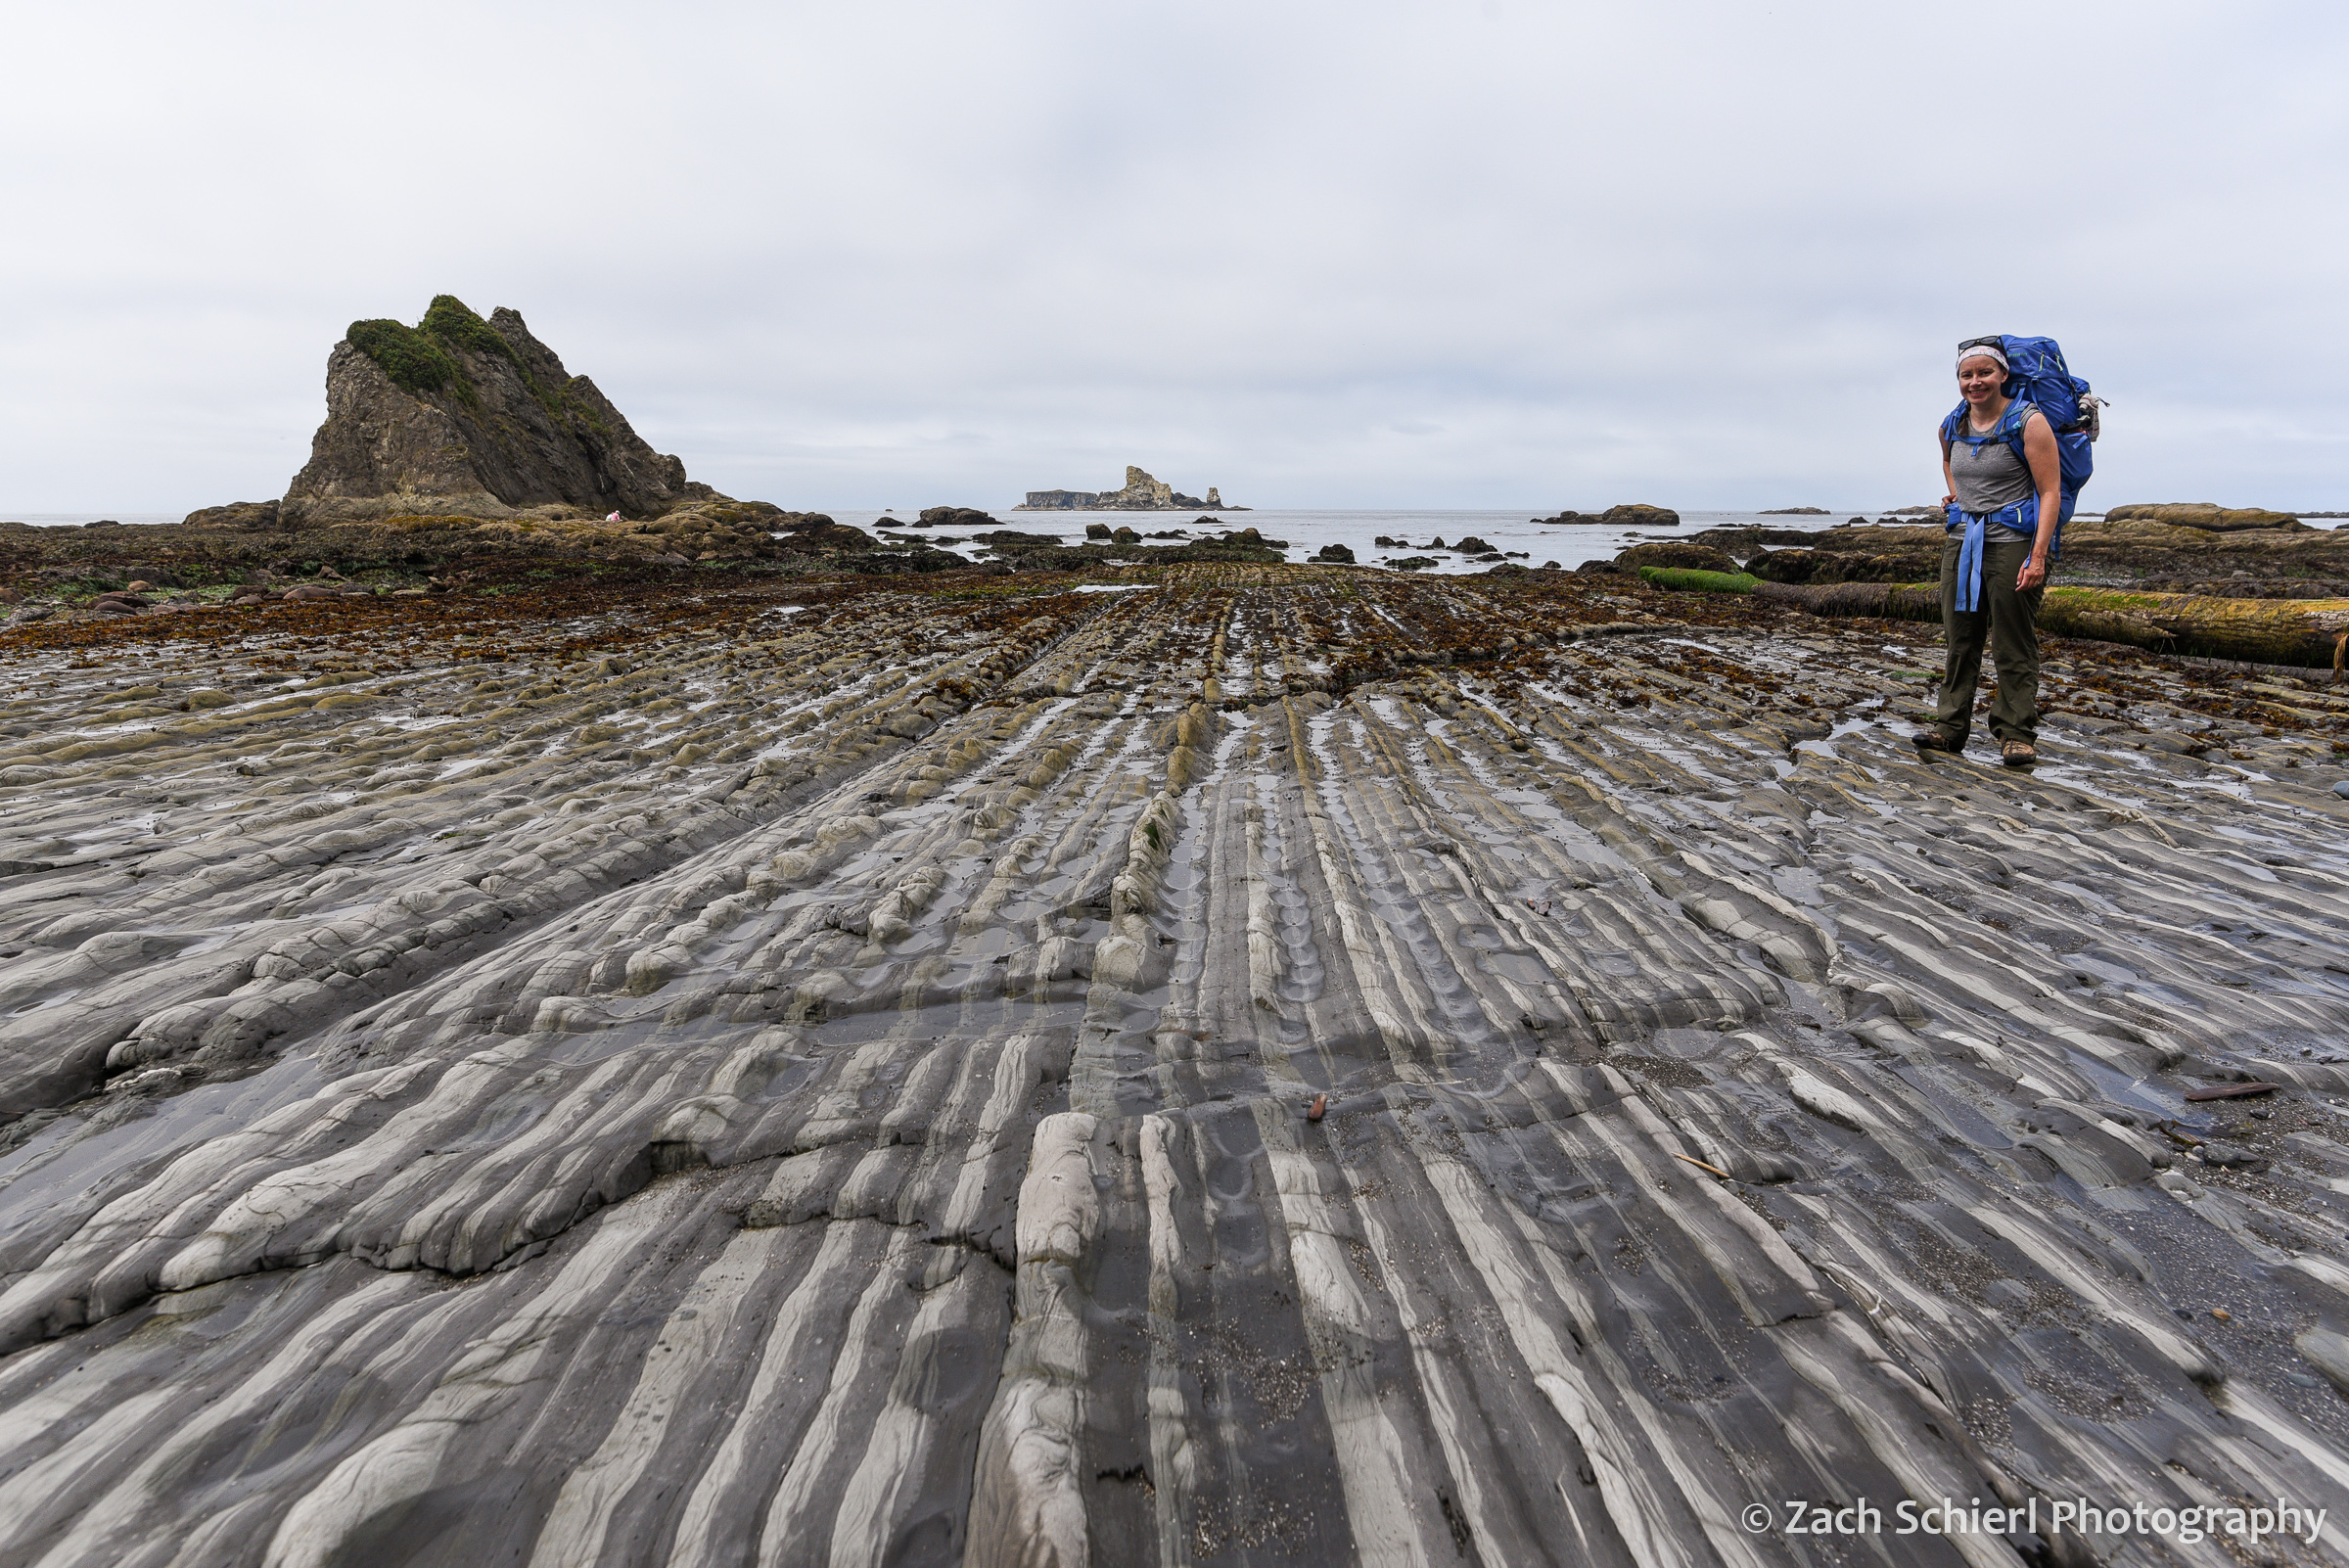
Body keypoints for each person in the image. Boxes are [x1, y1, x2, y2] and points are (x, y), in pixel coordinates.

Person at [1916, 341, 2065, 767]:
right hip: (1962, 540)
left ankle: (2016, 734)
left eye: (1984, 373)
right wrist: (1958, 495)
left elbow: (2050, 491)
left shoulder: (2029, 422)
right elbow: (1951, 465)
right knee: (1960, 639)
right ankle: (1949, 729)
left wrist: (2037, 556)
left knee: (2011, 640)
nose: (1975, 382)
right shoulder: (1952, 424)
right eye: (1967, 375)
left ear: (2002, 376)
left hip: (2014, 541)